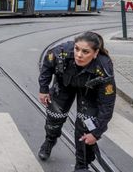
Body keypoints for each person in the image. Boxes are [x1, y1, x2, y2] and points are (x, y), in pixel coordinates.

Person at [37, 32, 116, 171]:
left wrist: (96, 133)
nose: (79, 55)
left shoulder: (104, 67)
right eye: (77, 49)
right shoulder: (61, 52)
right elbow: (47, 65)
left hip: (89, 91)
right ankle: (49, 141)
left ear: (96, 52)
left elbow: (107, 104)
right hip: (64, 84)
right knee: (54, 117)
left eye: (85, 51)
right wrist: (43, 88)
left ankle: (81, 164)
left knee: (87, 125)